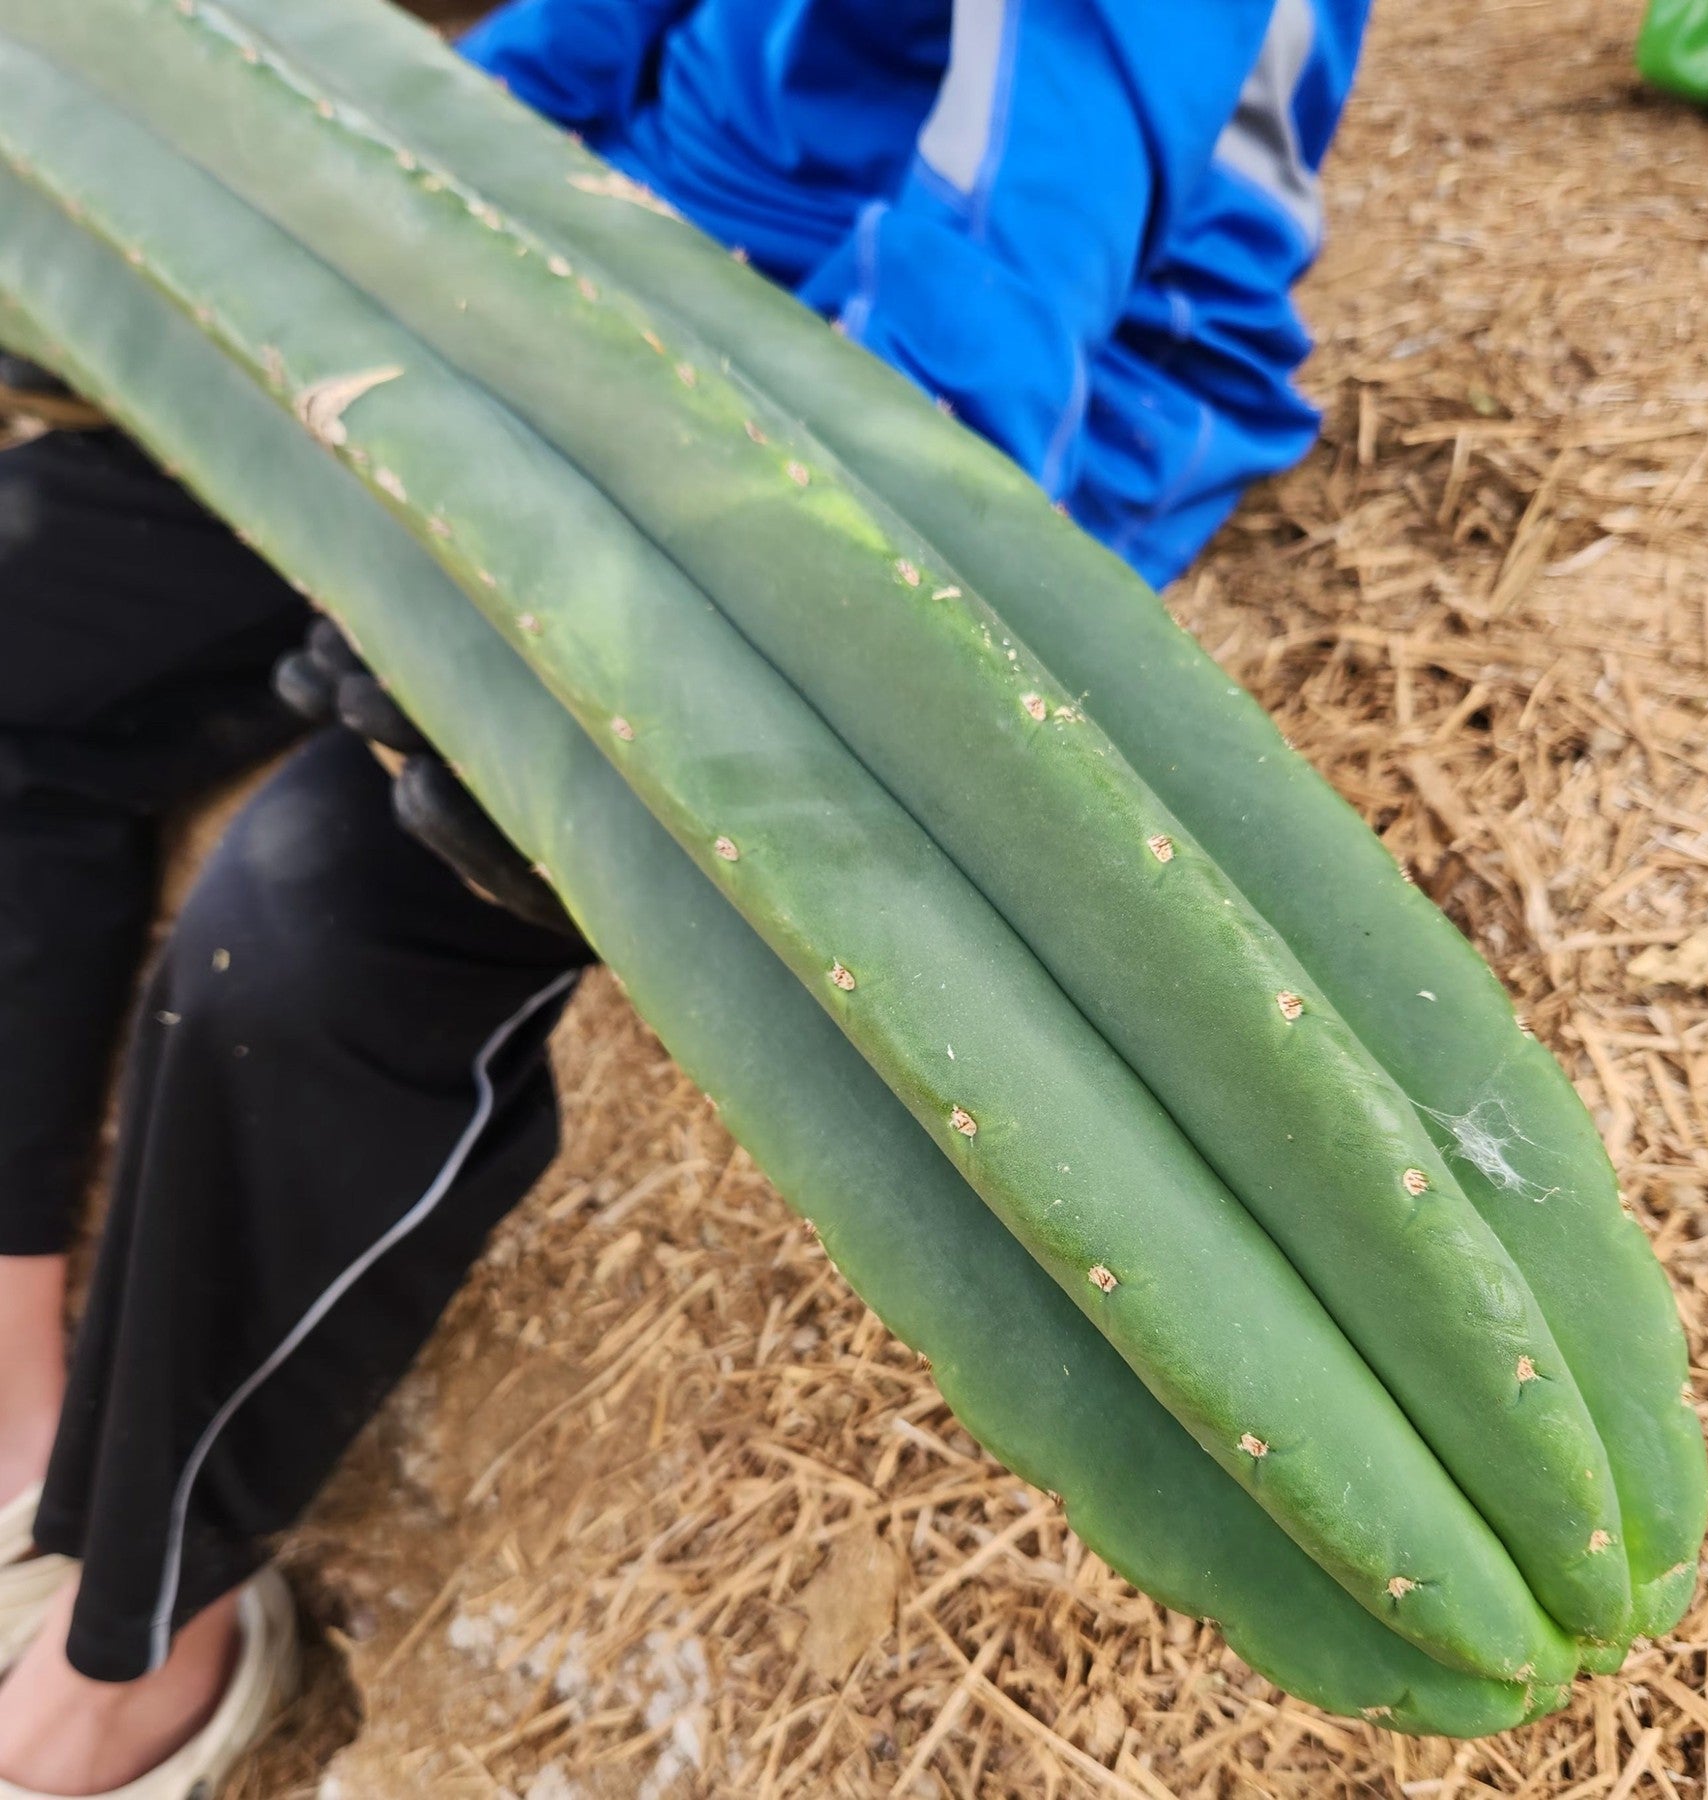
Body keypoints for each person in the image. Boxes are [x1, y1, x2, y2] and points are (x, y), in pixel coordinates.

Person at [0, 0, 1370, 1789]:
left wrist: (581, 609)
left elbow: (990, 300)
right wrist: (309, 289)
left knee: (318, 916)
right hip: (598, 313)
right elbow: (535, 79)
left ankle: (145, 1634)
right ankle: (18, 1353)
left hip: (932, 421)